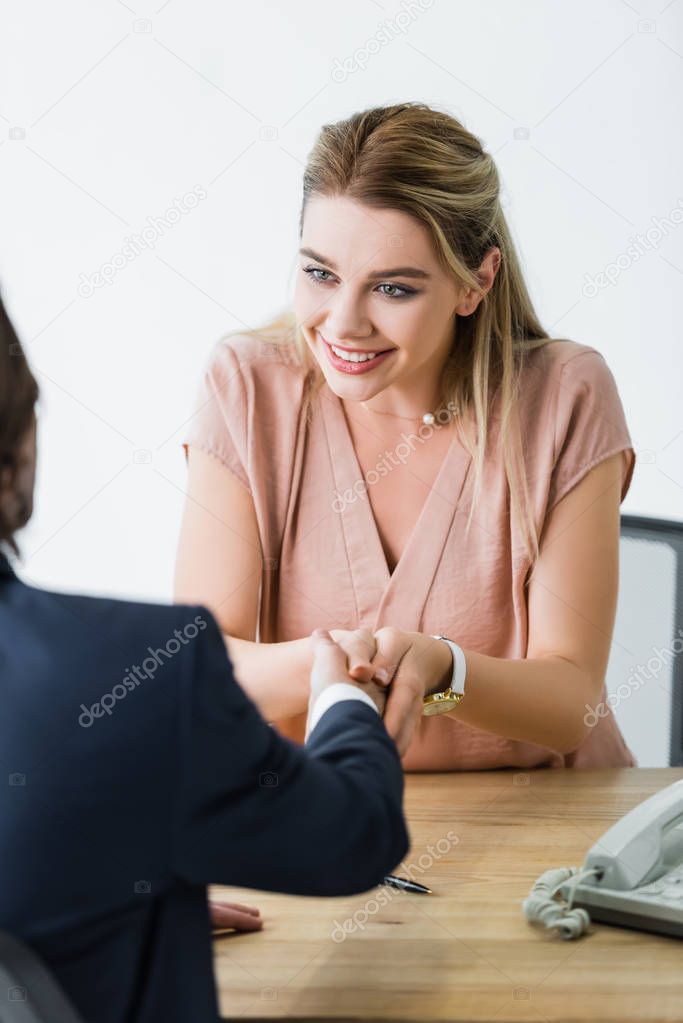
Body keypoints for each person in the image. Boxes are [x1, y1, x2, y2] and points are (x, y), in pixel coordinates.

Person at [175, 101, 637, 771]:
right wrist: (341, 660)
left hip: (544, 826)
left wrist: (444, 671)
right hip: (321, 819)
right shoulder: (246, 386)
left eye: (392, 288)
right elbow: (201, 670)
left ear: (474, 283)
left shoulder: (565, 394)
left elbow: (572, 702)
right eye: (319, 274)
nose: (342, 323)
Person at [0, 293, 409, 1022]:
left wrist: (113, 873)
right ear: (19, 448)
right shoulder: (137, 669)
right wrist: (341, 697)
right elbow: (359, 836)